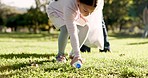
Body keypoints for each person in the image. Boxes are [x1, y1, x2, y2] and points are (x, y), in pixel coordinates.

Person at [46, 0, 104, 66]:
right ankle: (60, 55)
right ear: (78, 1)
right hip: (56, 11)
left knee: (86, 27)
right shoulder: (69, 5)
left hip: (72, 11)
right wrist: (78, 55)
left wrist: (76, 54)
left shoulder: (81, 5)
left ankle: (73, 54)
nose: (87, 14)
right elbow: (72, 33)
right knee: (65, 29)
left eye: (91, 12)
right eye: (85, 10)